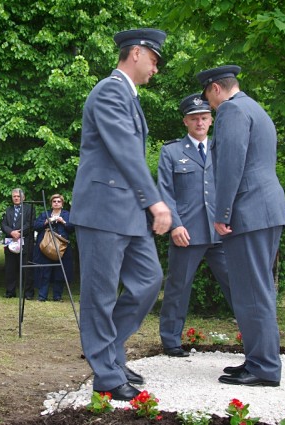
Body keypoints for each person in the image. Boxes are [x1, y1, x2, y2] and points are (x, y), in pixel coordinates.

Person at [70, 28, 172, 401]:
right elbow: (126, 151)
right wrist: (155, 202)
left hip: (128, 213)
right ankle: (106, 375)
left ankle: (110, 351)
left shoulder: (127, 96)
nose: (155, 69)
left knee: (148, 280)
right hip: (103, 211)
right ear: (136, 53)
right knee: (100, 295)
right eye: (154, 60)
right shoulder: (110, 91)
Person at [195, 64, 285, 387]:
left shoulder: (232, 111)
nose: (209, 105)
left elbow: (231, 165)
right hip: (263, 210)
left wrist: (222, 213)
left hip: (248, 212)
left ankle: (263, 366)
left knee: (252, 290)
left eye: (208, 97)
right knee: (256, 288)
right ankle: (258, 359)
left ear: (216, 88)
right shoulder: (255, 109)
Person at [157, 93, 232, 358]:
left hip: (221, 232)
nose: (199, 123)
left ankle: (255, 339)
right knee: (178, 287)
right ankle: (171, 340)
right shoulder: (171, 151)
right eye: (194, 118)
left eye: (204, 117)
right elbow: (165, 192)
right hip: (186, 232)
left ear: (211, 120)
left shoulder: (222, 149)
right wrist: (175, 225)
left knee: (237, 284)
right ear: (185, 121)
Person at [32, 194, 74, 301]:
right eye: (54, 201)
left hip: (62, 248)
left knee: (60, 272)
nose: (56, 203)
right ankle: (42, 296)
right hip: (46, 247)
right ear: (51, 203)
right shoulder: (45, 214)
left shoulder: (67, 214)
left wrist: (62, 221)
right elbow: (35, 226)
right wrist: (47, 221)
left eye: (59, 201)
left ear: (62, 204)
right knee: (44, 271)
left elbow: (72, 228)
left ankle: (57, 296)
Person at [1, 188, 35, 299]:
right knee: (10, 269)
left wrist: (18, 232)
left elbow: (30, 224)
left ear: (23, 197)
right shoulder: (8, 210)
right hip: (10, 242)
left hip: (25, 242)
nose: (16, 198)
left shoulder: (29, 208)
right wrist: (11, 232)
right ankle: (10, 292)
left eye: (18, 196)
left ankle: (28, 293)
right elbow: (3, 224)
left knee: (26, 269)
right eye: (14, 196)